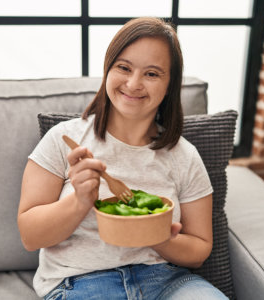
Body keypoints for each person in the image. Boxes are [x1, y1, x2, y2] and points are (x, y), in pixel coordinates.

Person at [18, 17, 228, 300]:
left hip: (167, 280)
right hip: (80, 282)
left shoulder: (184, 156)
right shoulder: (62, 139)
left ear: (169, 85)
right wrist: (80, 200)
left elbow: (199, 251)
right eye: (124, 68)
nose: (133, 83)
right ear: (108, 70)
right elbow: (30, 237)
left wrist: (160, 236)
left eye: (152, 74)